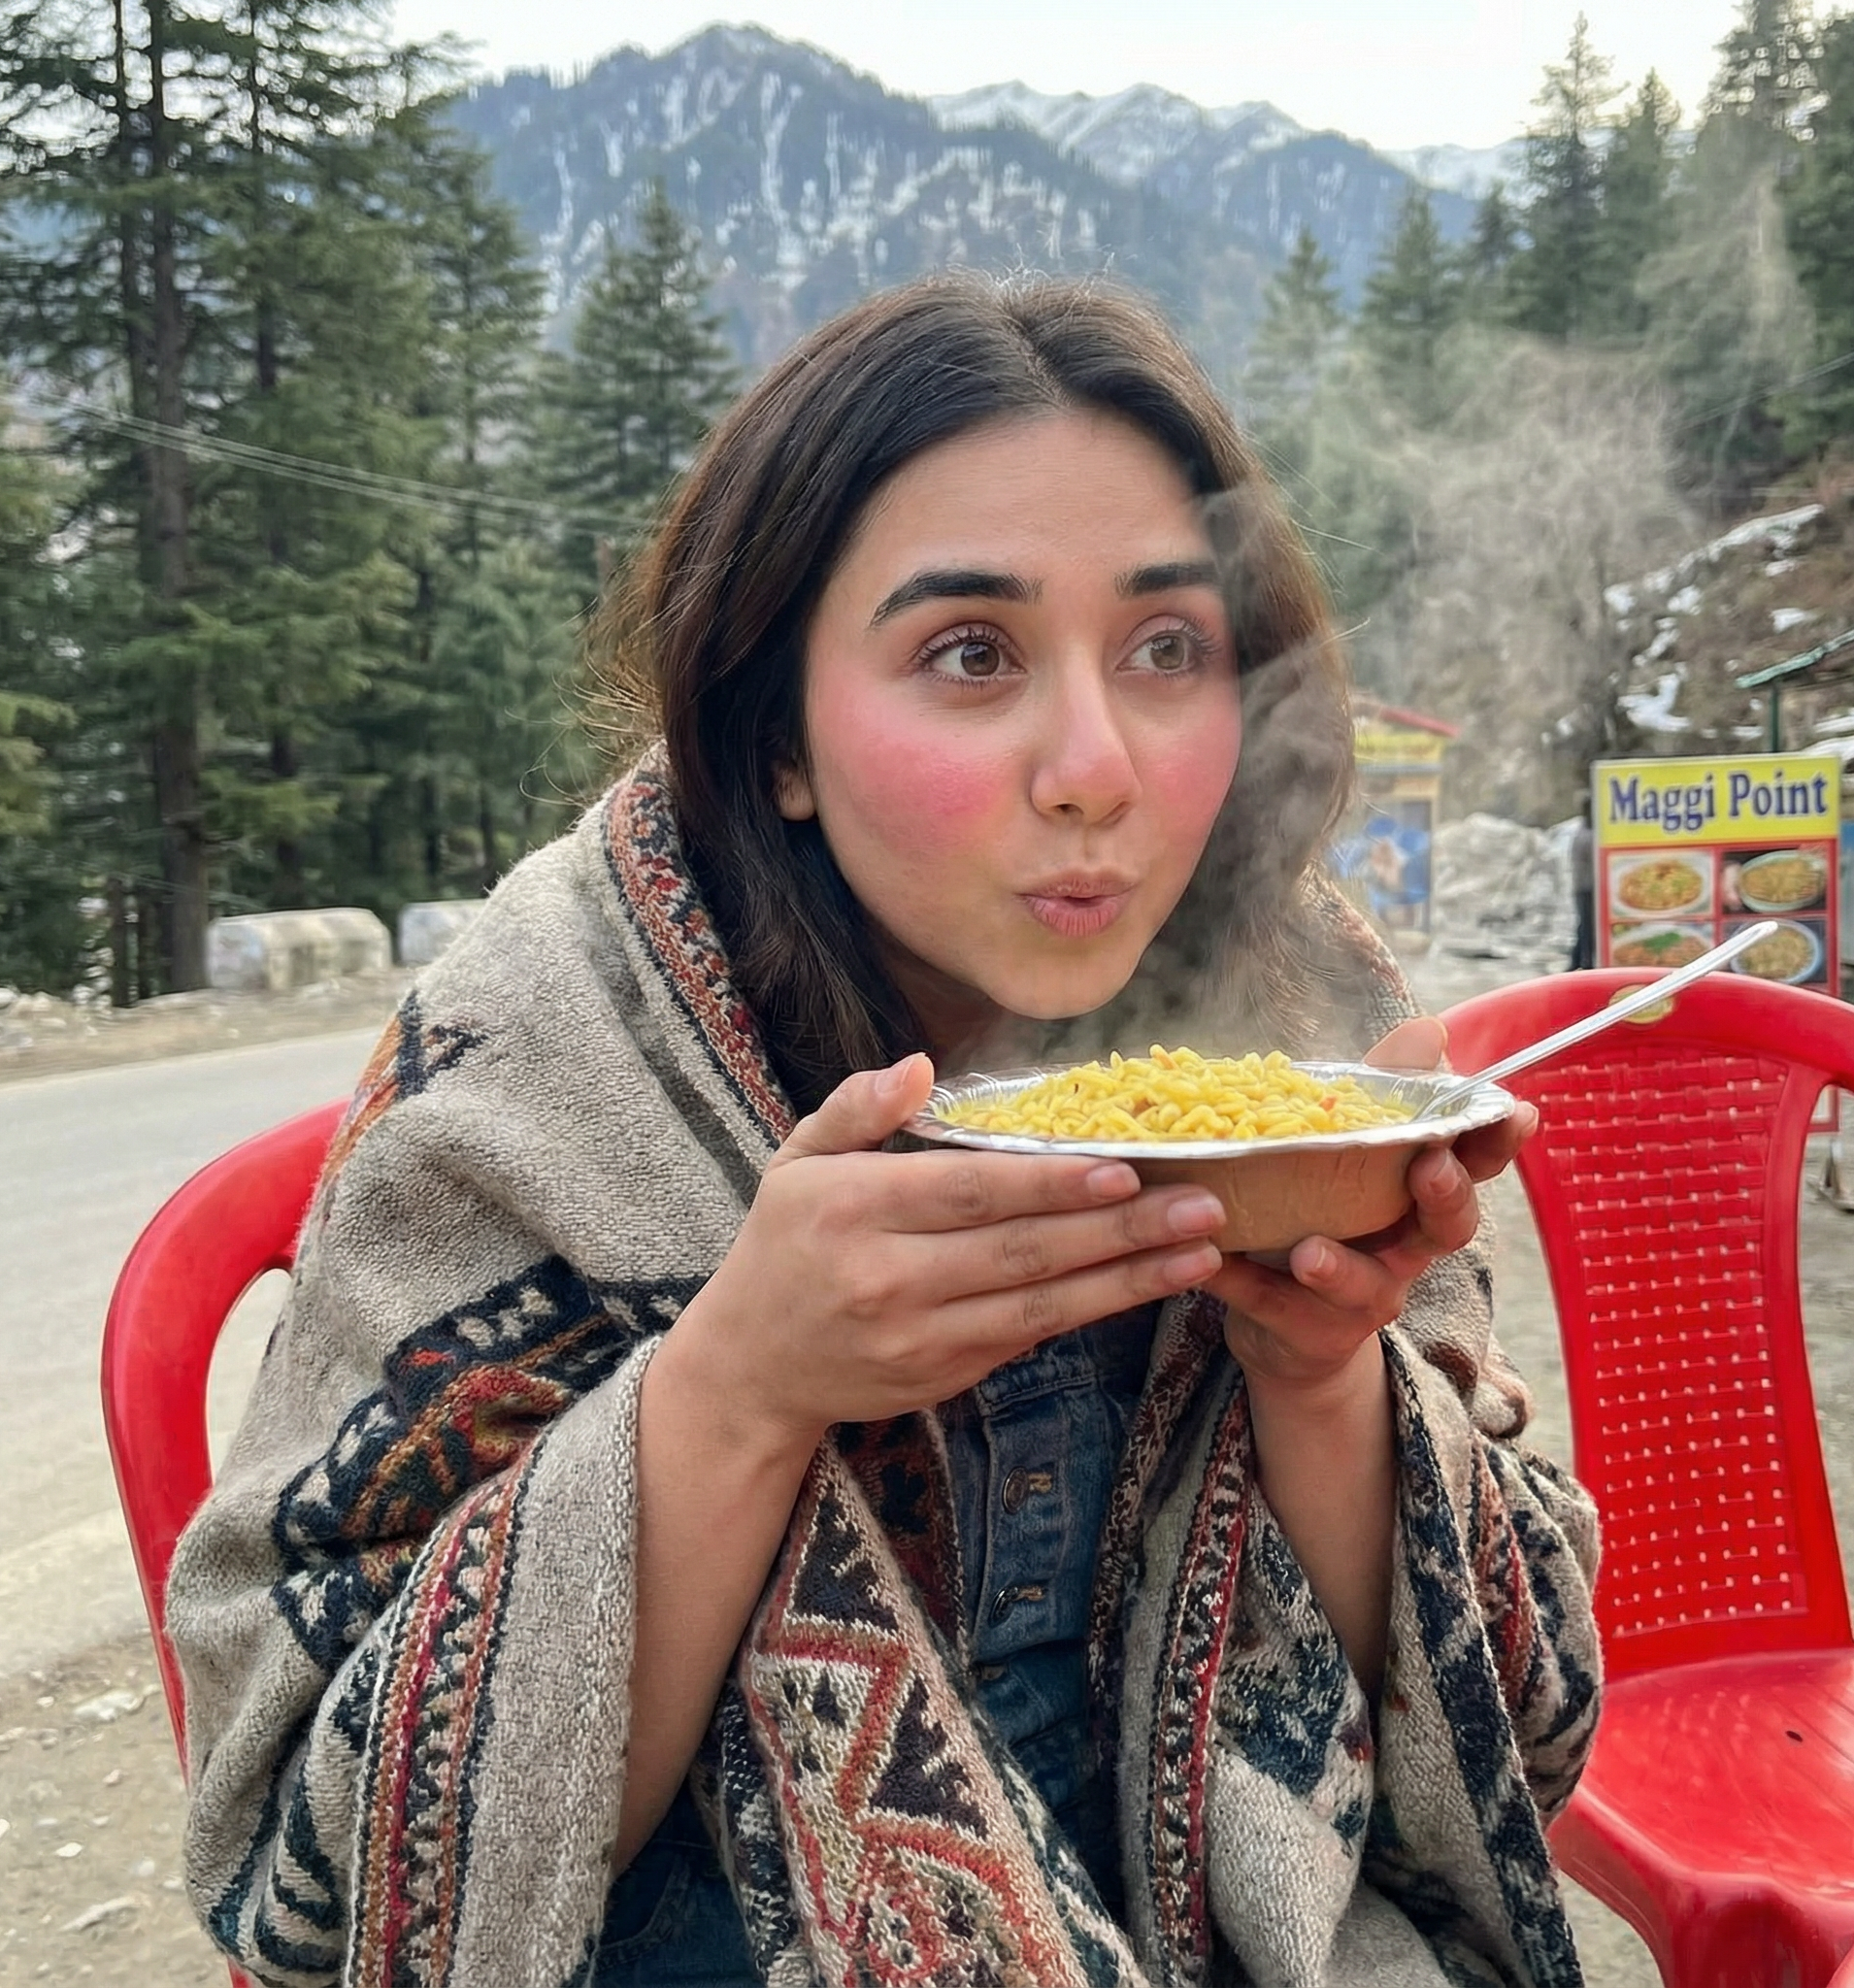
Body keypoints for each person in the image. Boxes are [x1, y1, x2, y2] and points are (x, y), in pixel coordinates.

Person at [167, 274, 1601, 1988]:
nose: (1094, 766)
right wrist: (736, 1391)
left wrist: (1319, 1379)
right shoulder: (541, 1056)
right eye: (968, 652)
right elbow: (311, 1882)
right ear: (775, 736)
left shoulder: (1300, 1026)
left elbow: (1524, 1725)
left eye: (1166, 647)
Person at [1569, 797, 1597, 972]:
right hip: (1588, 889)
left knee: (1584, 926)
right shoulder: (1588, 836)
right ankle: (1584, 962)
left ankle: (1577, 961)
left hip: (1582, 887)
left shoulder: (1581, 832)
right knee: (1587, 927)